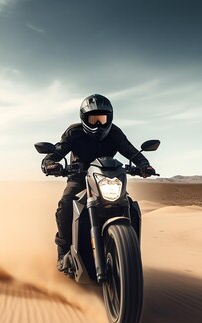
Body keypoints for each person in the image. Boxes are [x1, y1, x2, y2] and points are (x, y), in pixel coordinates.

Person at [41, 93, 156, 271]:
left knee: (130, 207)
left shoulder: (115, 133)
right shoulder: (74, 132)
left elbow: (130, 151)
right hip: (79, 178)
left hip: (108, 179)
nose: (97, 124)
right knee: (65, 205)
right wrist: (49, 163)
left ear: (109, 118)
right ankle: (63, 252)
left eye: (102, 119)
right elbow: (58, 150)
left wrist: (144, 165)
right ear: (83, 118)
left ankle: (129, 255)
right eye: (93, 119)